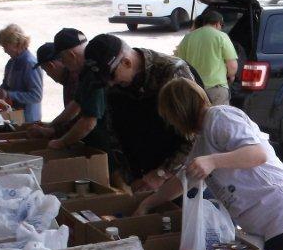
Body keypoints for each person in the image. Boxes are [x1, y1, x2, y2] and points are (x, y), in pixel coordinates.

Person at [137, 78, 283, 250]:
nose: (172, 124)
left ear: (179, 111)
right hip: (264, 226)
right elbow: (183, 180)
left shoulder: (220, 117)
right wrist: (147, 203)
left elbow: (257, 154)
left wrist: (213, 161)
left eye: (170, 117)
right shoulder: (203, 140)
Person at [85, 33, 198, 192]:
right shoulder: (116, 85)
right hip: (141, 179)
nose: (110, 83)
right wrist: (125, 177)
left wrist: (162, 173)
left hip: (179, 179)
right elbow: (114, 133)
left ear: (126, 62)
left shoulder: (172, 73)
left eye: (111, 76)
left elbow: (195, 135)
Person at [174, 9, 239, 106]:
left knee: (197, 120)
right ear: (218, 23)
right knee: (218, 119)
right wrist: (231, 76)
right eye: (222, 25)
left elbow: (179, 63)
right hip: (216, 89)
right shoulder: (221, 36)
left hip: (193, 89)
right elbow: (232, 66)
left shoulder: (188, 37)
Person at [0, 24, 43, 123]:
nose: (4, 51)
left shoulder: (30, 64)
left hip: (28, 119)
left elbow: (36, 96)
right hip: (13, 115)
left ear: (17, 45)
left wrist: (9, 94)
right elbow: (6, 84)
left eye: (6, 46)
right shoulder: (11, 62)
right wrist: (3, 91)